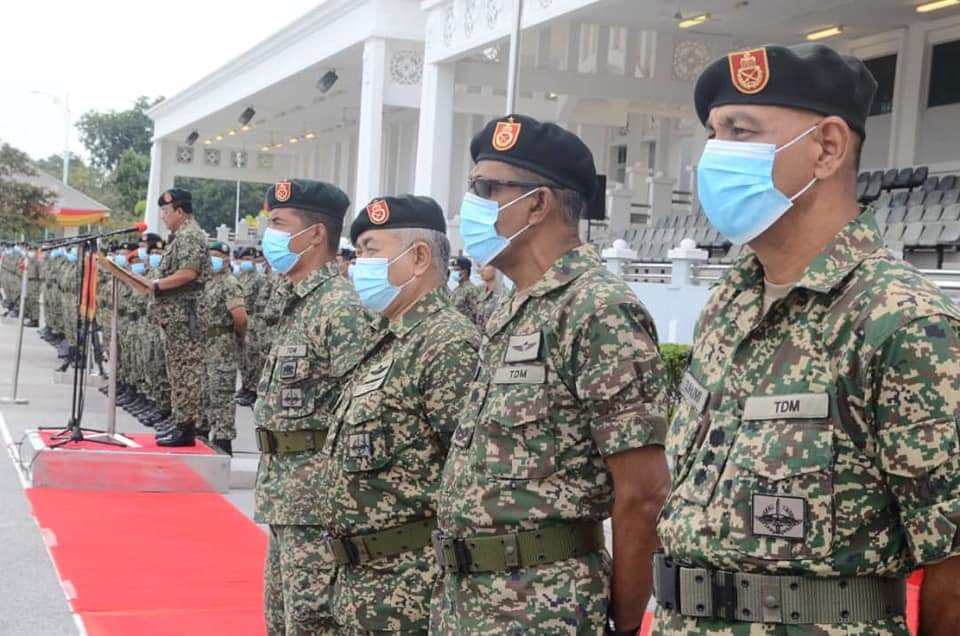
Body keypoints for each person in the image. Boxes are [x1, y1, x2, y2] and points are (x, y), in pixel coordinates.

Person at [654, 43, 960, 635]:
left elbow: (953, 569)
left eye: (740, 131)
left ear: (826, 148)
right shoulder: (728, 304)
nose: (716, 155)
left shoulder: (901, 322)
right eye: (713, 133)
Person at [431, 114, 671, 635]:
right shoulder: (512, 308)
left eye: (486, 188)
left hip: (543, 609)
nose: (471, 204)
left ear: (538, 204)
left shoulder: (597, 310)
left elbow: (644, 493)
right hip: (467, 604)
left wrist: (625, 625)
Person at [318, 195, 480, 633]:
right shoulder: (391, 337)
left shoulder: (446, 345)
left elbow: (470, 478)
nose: (358, 265)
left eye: (372, 250)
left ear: (420, 257)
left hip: (411, 590)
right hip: (362, 585)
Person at [253, 178, 370, 635]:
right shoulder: (299, 302)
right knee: (282, 623)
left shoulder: (338, 307)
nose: (270, 236)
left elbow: (362, 408)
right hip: (286, 497)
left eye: (280, 224)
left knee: (313, 623)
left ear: (316, 235)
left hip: (317, 504)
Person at [151, 188, 211, 447]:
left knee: (186, 372)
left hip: (186, 319)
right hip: (176, 318)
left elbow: (188, 272)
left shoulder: (189, 236)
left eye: (166, 211)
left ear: (180, 211)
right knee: (177, 371)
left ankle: (186, 429)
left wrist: (156, 284)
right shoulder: (180, 236)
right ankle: (181, 423)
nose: (163, 217)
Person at [200, 241, 246, 454]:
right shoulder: (208, 281)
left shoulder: (229, 282)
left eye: (217, 255)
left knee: (222, 394)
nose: (212, 259)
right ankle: (206, 432)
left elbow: (239, 317)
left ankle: (223, 440)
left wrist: (236, 336)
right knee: (207, 393)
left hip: (222, 344)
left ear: (227, 258)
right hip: (207, 344)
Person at [447, 255, 482, 321]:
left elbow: (477, 314)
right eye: (454, 270)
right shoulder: (456, 289)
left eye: (457, 270)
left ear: (465, 272)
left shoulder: (471, 290)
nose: (454, 272)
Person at [471, 264, 502, 329]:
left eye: (487, 265)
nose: (481, 270)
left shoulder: (503, 294)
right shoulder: (481, 292)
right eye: (481, 266)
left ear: (496, 269)